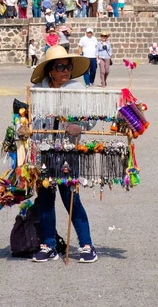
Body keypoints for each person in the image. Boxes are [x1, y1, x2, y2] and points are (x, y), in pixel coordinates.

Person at [30, 46, 97, 263]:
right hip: (43, 151)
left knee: (71, 199)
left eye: (68, 67)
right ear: (50, 70)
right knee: (46, 199)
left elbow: (93, 116)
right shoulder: (37, 91)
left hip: (68, 151)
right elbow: (29, 117)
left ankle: (86, 245)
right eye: (60, 67)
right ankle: (49, 245)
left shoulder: (77, 89)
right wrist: (24, 129)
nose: (65, 71)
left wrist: (80, 126)